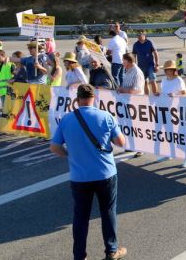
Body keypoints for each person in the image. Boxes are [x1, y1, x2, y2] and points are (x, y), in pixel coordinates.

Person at [49, 84, 128, 260]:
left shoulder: (67, 119)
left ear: (77, 100)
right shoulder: (106, 116)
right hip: (105, 174)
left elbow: (54, 147)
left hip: (79, 177)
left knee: (80, 217)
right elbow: (121, 142)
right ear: (95, 99)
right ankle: (112, 251)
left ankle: (79, 255)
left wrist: (70, 155)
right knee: (108, 213)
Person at [0, 50, 14, 116]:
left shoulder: (10, 65)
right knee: (5, 108)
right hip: (2, 92)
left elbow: (16, 76)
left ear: (3, 56)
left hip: (9, 91)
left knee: (10, 109)